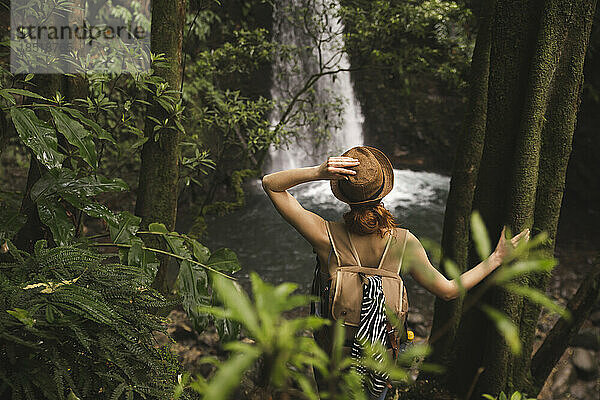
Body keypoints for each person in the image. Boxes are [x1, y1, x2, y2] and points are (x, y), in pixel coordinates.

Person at [261, 145, 529, 399]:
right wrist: (496, 259)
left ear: (341, 191)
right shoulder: (404, 242)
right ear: (384, 191)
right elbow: (448, 291)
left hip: (333, 357)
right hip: (381, 360)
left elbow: (271, 184)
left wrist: (318, 172)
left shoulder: (324, 236)